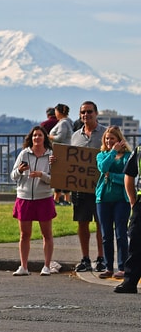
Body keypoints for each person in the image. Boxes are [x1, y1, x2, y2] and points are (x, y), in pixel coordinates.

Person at [10, 126, 56, 276]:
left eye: (40, 135)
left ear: (45, 138)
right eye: (35, 136)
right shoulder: (24, 154)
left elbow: (55, 180)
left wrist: (41, 175)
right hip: (24, 197)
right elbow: (13, 176)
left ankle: (47, 265)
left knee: (47, 234)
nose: (37, 138)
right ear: (31, 138)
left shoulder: (51, 156)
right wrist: (20, 171)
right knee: (24, 234)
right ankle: (23, 266)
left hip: (44, 197)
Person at [71, 101, 106, 272]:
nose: (86, 115)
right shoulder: (75, 135)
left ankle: (101, 258)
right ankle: (85, 258)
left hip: (101, 187)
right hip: (80, 187)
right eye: (83, 112)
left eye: (89, 112)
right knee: (82, 222)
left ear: (96, 113)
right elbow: (69, 159)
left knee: (101, 222)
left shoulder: (106, 133)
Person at [95, 126, 131, 279]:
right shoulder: (102, 155)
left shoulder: (128, 156)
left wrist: (112, 177)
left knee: (121, 233)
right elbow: (103, 167)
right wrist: (112, 152)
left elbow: (126, 178)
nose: (109, 141)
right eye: (107, 138)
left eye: (112, 139)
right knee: (106, 234)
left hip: (121, 200)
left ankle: (123, 267)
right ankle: (109, 267)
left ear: (119, 140)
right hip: (103, 200)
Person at [115, 144, 141, 293]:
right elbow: (129, 176)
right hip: (140, 205)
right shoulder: (139, 150)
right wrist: (132, 201)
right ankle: (130, 283)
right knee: (136, 243)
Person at [48, 103, 73, 205]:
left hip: (61, 153)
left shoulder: (63, 123)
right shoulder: (69, 122)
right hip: (65, 152)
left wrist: (49, 137)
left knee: (59, 176)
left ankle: (59, 199)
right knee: (63, 175)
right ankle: (61, 198)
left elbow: (60, 138)